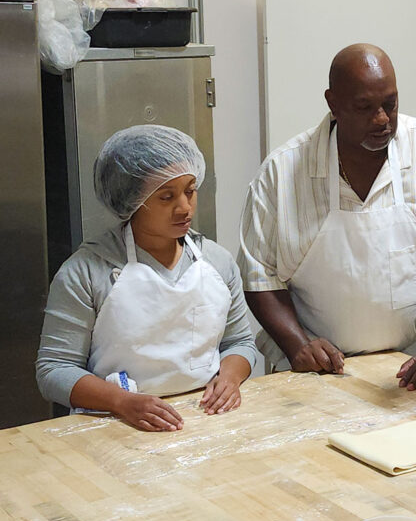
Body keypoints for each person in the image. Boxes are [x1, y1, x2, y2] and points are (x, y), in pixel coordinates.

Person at [239, 44, 416, 387]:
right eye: (364, 107)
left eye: (389, 104)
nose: (381, 119)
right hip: (318, 373)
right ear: (333, 103)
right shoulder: (283, 172)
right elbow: (259, 276)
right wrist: (298, 346)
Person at [36, 125, 257, 431]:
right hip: (114, 424)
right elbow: (54, 370)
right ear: (131, 200)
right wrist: (120, 402)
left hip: (206, 418)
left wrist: (229, 379)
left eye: (190, 191)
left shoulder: (216, 262)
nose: (185, 208)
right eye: (167, 197)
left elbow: (240, 342)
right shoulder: (87, 271)